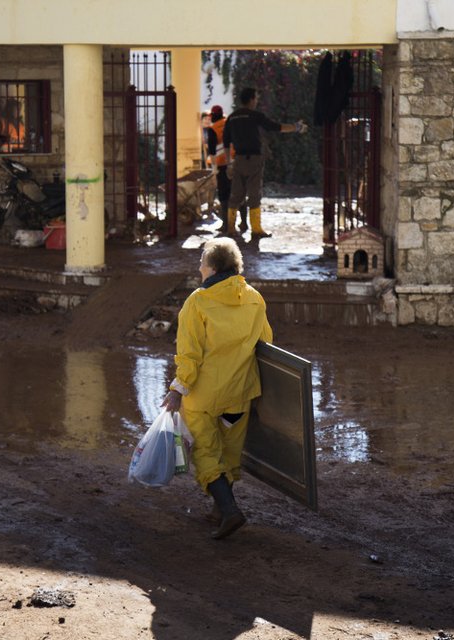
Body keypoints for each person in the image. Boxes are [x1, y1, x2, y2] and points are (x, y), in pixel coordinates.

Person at [161, 237, 273, 540]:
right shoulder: (254, 298)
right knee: (229, 450)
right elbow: (266, 343)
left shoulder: (197, 302)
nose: (199, 268)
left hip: (204, 395)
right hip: (240, 394)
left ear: (212, 267)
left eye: (201, 262)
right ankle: (220, 508)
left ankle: (230, 510)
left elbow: (189, 355)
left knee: (207, 453)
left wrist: (176, 389)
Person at [222, 87, 307, 238]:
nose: (257, 100)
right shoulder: (256, 115)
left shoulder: (232, 117)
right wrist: (296, 127)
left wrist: (229, 163)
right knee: (254, 195)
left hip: (238, 161)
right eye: (256, 97)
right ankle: (256, 230)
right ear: (251, 99)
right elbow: (276, 127)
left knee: (235, 195)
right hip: (254, 160)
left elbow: (226, 142)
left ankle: (230, 228)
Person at [205, 105, 245, 230]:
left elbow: (212, 150)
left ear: (212, 116)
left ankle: (226, 225)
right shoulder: (232, 123)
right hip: (237, 163)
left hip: (222, 166)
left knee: (224, 195)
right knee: (240, 193)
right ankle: (244, 223)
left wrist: (214, 168)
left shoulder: (213, 129)